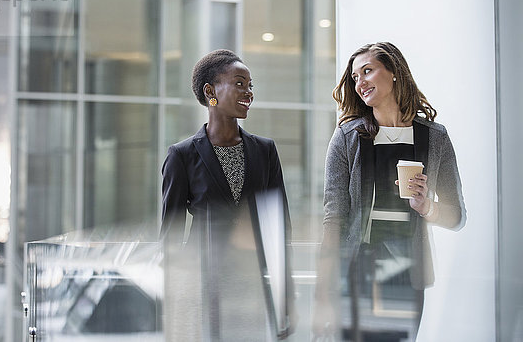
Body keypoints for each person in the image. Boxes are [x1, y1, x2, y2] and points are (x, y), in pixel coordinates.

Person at [313, 42, 466, 341]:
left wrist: (427, 207)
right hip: (357, 272)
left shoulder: (435, 137)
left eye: (367, 71)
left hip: (408, 275)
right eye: (355, 77)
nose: (359, 83)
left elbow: (456, 216)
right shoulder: (347, 137)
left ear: (394, 72)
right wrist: (323, 287)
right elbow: (333, 218)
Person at [160, 49, 295, 341]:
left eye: (250, 85)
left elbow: (279, 227)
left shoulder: (265, 150)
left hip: (252, 285)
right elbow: (169, 235)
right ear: (210, 91)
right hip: (201, 285)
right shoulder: (181, 155)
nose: (248, 92)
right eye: (239, 83)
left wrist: (286, 298)